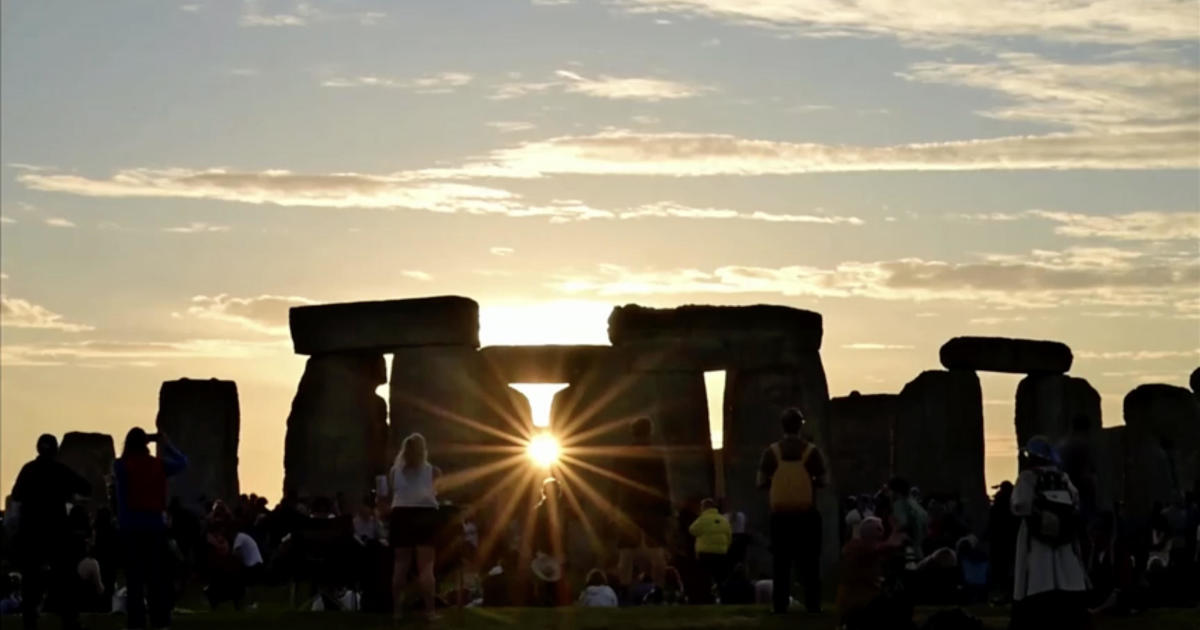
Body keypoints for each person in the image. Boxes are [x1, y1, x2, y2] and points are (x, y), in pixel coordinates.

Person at [10, 434, 91, 630]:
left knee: (31, 578)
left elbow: (17, 494)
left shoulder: (28, 469)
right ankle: (69, 617)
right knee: (64, 576)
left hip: (31, 532)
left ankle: (29, 619)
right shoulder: (60, 470)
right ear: (56, 451)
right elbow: (86, 488)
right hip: (56, 531)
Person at [1009, 436, 1089, 630]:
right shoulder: (1063, 478)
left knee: (1037, 576)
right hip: (1064, 540)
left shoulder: (1028, 477)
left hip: (1036, 539)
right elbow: (1076, 504)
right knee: (1066, 575)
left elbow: (1019, 505)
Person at [114, 428, 187, 630]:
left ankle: (136, 622)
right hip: (155, 526)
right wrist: (165, 443)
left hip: (130, 527)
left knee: (134, 579)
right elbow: (183, 463)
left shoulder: (120, 466)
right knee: (156, 577)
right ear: (146, 444)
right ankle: (160, 620)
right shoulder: (158, 465)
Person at [757, 407, 826, 614]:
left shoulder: (772, 452)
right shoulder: (811, 451)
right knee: (810, 562)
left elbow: (760, 481)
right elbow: (823, 480)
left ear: (783, 426)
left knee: (781, 563)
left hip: (780, 515)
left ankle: (780, 605)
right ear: (800, 426)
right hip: (806, 513)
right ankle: (813, 604)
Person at [387, 433, 441, 620]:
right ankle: (430, 611)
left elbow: (394, 491)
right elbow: (435, 491)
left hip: (401, 514)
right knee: (426, 567)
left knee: (400, 565)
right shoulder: (433, 470)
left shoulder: (394, 471)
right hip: (425, 514)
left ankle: (397, 611)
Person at [614, 417, 672, 590]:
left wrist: (613, 507)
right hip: (652, 508)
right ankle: (658, 591)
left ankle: (624, 592)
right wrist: (667, 510)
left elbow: (615, 482)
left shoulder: (622, 455)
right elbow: (663, 484)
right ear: (650, 431)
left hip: (628, 507)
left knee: (626, 553)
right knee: (657, 553)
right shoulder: (656, 455)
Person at [836, 516, 911, 630]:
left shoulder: (861, 547)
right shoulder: (856, 546)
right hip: (856, 602)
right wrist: (896, 532)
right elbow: (886, 546)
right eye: (879, 531)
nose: (881, 537)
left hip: (864, 598)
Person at [688, 498, 731, 603]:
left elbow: (692, 530)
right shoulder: (724, 520)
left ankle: (706, 599)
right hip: (721, 552)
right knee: (720, 577)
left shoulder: (703, 519)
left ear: (704, 507)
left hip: (705, 553)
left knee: (704, 578)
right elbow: (729, 536)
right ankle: (723, 598)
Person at [888, 477, 927, 566]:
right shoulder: (916, 506)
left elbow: (902, 528)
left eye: (890, 491)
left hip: (905, 556)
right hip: (919, 552)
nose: (889, 494)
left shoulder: (900, 506)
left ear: (895, 491)